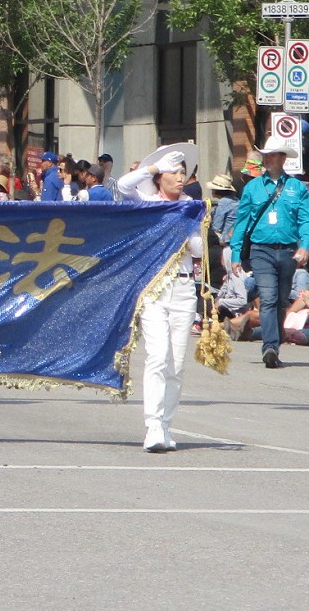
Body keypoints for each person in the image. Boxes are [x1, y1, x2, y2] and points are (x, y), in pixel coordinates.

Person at [118, 149, 201, 453]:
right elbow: (124, 186)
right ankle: (152, 424)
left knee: (176, 364)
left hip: (183, 288)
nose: (181, 178)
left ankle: (166, 424)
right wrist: (151, 166)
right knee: (158, 356)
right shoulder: (149, 204)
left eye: (183, 173)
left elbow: (200, 251)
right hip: (154, 290)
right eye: (174, 172)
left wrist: (188, 224)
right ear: (159, 177)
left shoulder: (190, 207)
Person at [229, 137, 309, 369]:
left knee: (279, 300)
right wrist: (236, 254)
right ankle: (270, 346)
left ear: (283, 158)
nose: (267, 158)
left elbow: (306, 220)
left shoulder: (297, 188)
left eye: (272, 154)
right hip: (261, 251)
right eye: (265, 154)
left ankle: (274, 343)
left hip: (287, 251)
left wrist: (305, 245)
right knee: (267, 297)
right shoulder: (252, 187)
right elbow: (242, 222)